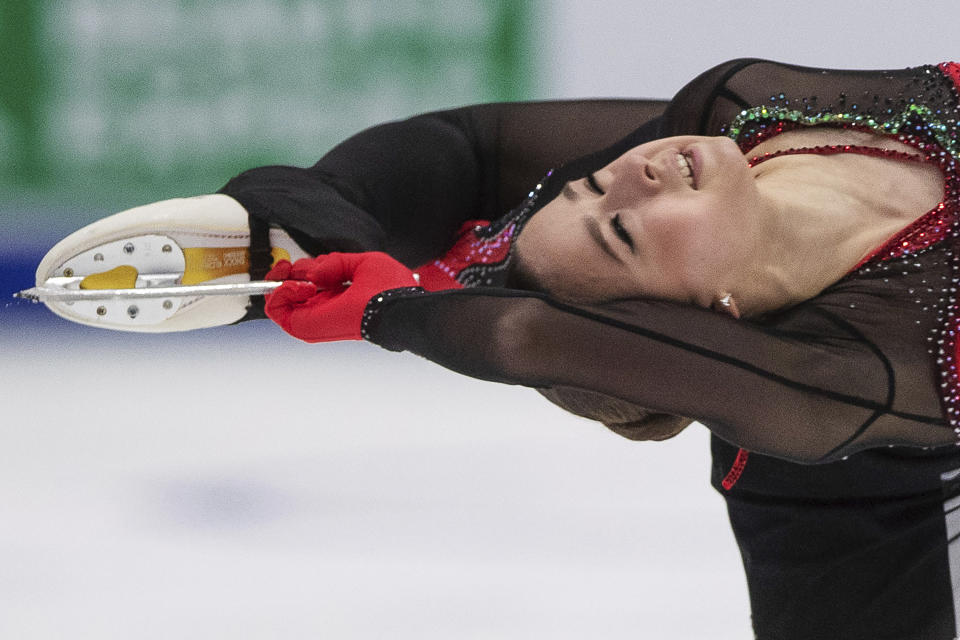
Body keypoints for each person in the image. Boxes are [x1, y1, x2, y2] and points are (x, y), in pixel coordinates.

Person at [33, 58, 960, 639]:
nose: (633, 174)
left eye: (597, 183)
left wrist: (295, 219)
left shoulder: (739, 108)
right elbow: (527, 332)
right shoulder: (870, 363)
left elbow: (476, 152)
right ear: (701, 317)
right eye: (626, 232)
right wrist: (385, 314)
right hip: (846, 482)